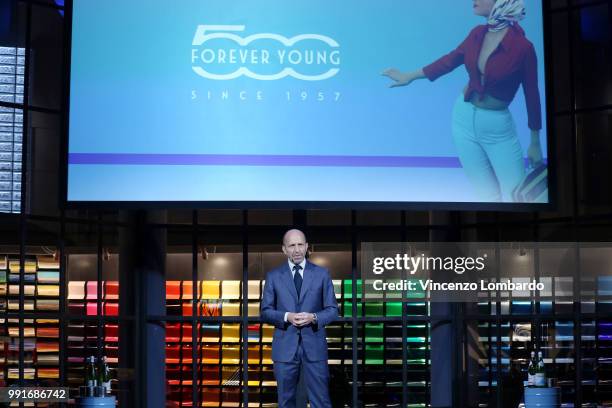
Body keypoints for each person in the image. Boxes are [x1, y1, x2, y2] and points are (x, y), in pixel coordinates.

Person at [383, 0, 543, 202]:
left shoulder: (523, 47)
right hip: (463, 120)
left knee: (517, 196)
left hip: (497, 128)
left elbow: (532, 93)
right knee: (486, 195)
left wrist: (535, 142)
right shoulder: (477, 33)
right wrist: (409, 76)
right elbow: (449, 61)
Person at [260, 229, 338, 408]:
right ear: (284, 249)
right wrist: (287, 317)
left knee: (321, 401)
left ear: (307, 246)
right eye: (292, 245)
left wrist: (314, 317)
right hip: (285, 348)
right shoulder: (273, 276)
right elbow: (265, 311)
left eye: (300, 244)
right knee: (286, 402)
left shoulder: (321, 274)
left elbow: (333, 310)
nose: (297, 250)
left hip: (315, 347)